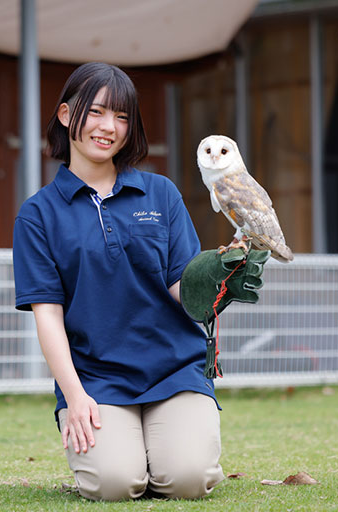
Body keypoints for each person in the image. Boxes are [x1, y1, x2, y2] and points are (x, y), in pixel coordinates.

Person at [12, 62, 224, 501]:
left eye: (123, 117)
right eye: (98, 112)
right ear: (68, 115)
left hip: (175, 370)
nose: (110, 127)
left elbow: (180, 289)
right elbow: (48, 316)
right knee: (113, 484)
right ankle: (127, 453)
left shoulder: (161, 193)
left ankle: (167, 448)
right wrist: (73, 395)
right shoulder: (38, 215)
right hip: (96, 379)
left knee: (186, 479)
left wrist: (221, 283)